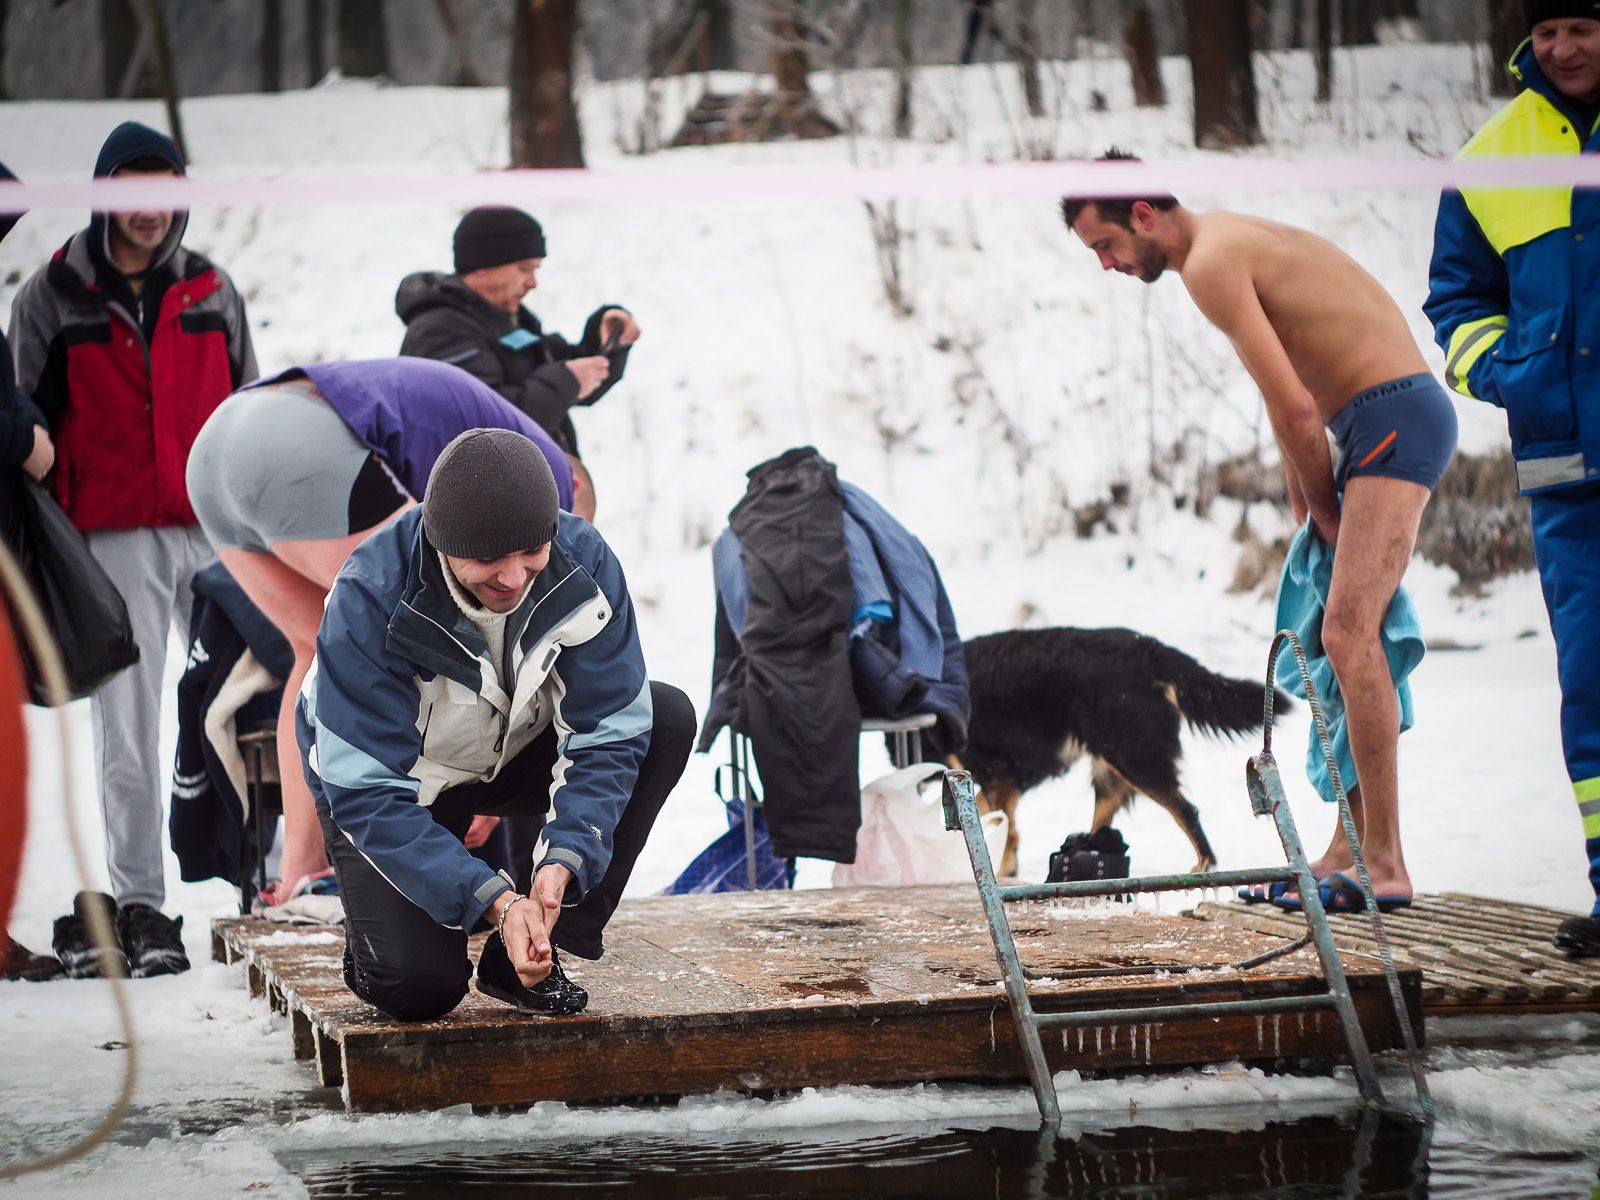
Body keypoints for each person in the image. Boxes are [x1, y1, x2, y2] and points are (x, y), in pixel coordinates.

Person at [1062, 152, 1458, 912]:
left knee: (1349, 635)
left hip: (1392, 417)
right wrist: (1304, 497)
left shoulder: (1211, 263)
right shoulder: (1224, 244)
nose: (1106, 265)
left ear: (1144, 214)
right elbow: (1295, 393)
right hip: (1375, 418)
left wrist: (1321, 496)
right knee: (1332, 636)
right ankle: (1347, 847)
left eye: (1103, 246)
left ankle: (1386, 861)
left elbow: (1298, 409)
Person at [296, 428, 693, 1020]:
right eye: (487, 559)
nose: (512, 576)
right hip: (398, 788)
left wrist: (563, 863)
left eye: (530, 552)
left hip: (509, 754)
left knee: (664, 718)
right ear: (441, 541)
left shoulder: (584, 565)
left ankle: (531, 952)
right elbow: (370, 793)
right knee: (418, 992)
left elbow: (609, 733)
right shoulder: (370, 596)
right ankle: (379, 943)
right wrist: (498, 903)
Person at [185, 357, 575, 909]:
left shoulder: (498, 449)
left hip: (216, 448)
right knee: (428, 622)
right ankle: (379, 865)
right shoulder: (547, 482)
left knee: (315, 648)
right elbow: (491, 634)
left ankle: (299, 870)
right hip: (295, 440)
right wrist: (503, 772)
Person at [8, 121, 257, 978]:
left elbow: (247, 412)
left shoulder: (214, 291)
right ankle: (140, 898)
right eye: (131, 190)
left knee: (249, 699)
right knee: (128, 727)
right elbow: (23, 415)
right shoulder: (52, 295)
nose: (149, 210)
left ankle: (262, 881)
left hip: (212, 531)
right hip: (111, 538)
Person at [1426, 0, 1600, 956]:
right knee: (1594, 686)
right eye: (1547, 32)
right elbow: (1456, 296)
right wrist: (1504, 372)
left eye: (1583, 26)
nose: (1563, 49)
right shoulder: (1493, 154)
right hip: (1569, 469)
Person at [395, 205, 640, 522]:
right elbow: (482, 427)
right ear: (482, 266)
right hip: (481, 520)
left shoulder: (503, 320)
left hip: (524, 507)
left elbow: (556, 372)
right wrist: (566, 381)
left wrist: (605, 342)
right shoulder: (440, 331)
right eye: (525, 269)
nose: (533, 282)